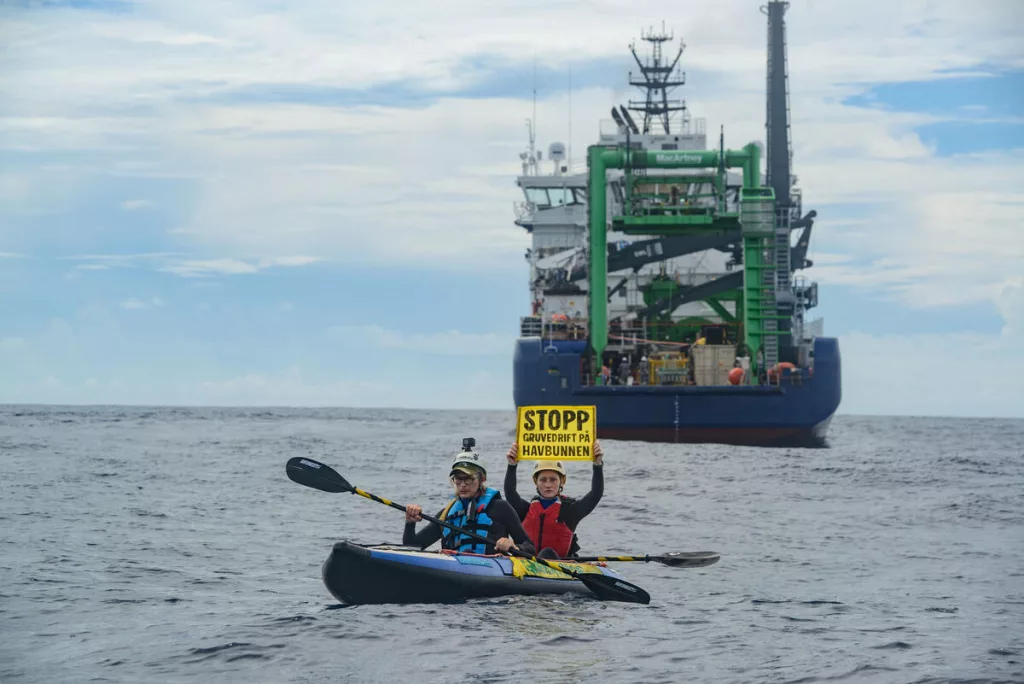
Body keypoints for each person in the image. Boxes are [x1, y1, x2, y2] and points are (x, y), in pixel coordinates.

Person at [403, 441, 536, 556]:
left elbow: (530, 547)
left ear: (482, 479)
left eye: (468, 479)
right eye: (458, 479)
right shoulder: (446, 515)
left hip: (489, 573)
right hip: (455, 572)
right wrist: (410, 522)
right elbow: (412, 546)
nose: (462, 485)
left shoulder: (500, 508)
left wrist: (513, 546)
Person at [503, 441, 604, 559]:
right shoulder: (525, 510)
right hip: (526, 564)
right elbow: (510, 493)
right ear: (536, 482)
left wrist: (597, 465)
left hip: (557, 567)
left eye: (553, 480)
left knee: (547, 553)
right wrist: (512, 465)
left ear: (561, 482)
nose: (548, 485)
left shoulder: (570, 511)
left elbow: (595, 494)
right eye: (543, 480)